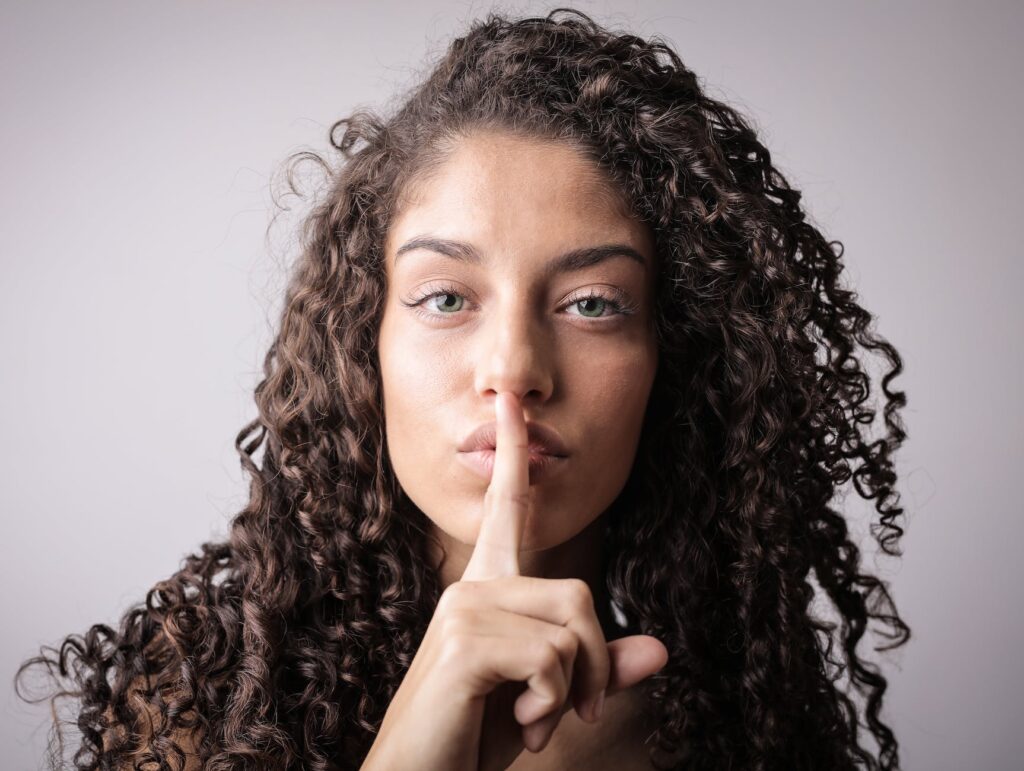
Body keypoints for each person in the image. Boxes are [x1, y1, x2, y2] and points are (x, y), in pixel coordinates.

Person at [15, 8, 912, 770]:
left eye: (593, 303)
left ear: (672, 360)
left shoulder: (745, 737)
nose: (514, 367)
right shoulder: (203, 704)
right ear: (361, 347)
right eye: (445, 297)